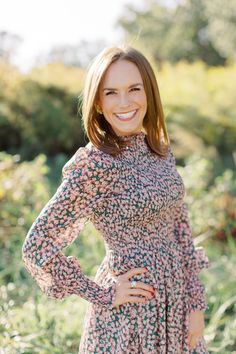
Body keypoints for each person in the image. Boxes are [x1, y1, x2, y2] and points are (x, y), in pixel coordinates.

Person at [22, 45, 210, 353]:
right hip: (130, 317)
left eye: (134, 89)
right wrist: (102, 294)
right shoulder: (96, 165)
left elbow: (180, 230)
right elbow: (37, 245)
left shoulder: (160, 150)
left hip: (176, 309)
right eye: (111, 93)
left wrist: (195, 304)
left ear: (149, 93)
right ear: (97, 102)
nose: (124, 102)